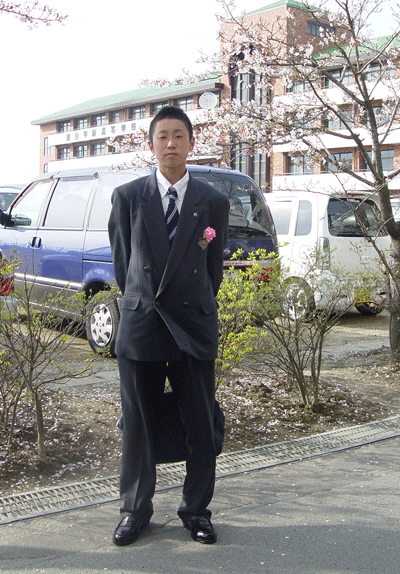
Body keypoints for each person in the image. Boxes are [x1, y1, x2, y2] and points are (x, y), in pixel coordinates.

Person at [108, 106, 230, 546]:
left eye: (179, 135)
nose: (171, 144)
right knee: (138, 425)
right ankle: (134, 510)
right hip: (142, 324)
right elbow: (124, 265)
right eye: (163, 136)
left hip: (192, 325)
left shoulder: (213, 201)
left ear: (191, 143)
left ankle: (196, 511)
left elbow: (212, 271)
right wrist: (143, 299)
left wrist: (190, 300)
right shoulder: (128, 197)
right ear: (151, 144)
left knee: (200, 424)